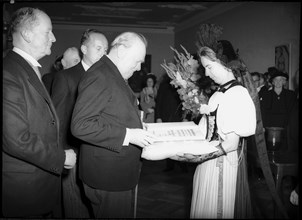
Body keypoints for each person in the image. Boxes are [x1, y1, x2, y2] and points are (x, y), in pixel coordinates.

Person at [70, 32, 157, 218]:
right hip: (108, 177)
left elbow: (111, 112)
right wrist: (130, 135)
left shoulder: (111, 72)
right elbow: (81, 125)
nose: (139, 67)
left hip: (112, 173)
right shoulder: (101, 75)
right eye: (137, 61)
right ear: (122, 51)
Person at [2, 7, 76, 218]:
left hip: (36, 184)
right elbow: (15, 139)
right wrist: (60, 157)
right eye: (48, 32)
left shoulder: (25, 68)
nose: (53, 38)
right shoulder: (9, 73)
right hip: (23, 191)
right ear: (27, 34)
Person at [171, 46, 257, 218]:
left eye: (209, 67)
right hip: (210, 160)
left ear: (226, 64)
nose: (207, 74)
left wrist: (196, 158)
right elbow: (206, 130)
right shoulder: (220, 93)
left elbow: (231, 144)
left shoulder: (237, 94)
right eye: (205, 69)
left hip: (222, 164)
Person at [50, 29, 108, 218]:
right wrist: (61, 155)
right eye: (98, 48)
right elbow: (56, 120)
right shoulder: (65, 78)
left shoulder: (107, 78)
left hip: (99, 154)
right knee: (75, 207)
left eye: (106, 50)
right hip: (73, 154)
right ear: (84, 48)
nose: (103, 53)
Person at [155, 73, 188, 172]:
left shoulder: (182, 85)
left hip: (178, 118)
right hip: (166, 118)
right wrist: (158, 117)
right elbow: (159, 102)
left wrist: (185, 117)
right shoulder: (164, 85)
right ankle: (170, 164)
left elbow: (185, 103)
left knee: (180, 142)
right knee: (168, 142)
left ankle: (183, 164)